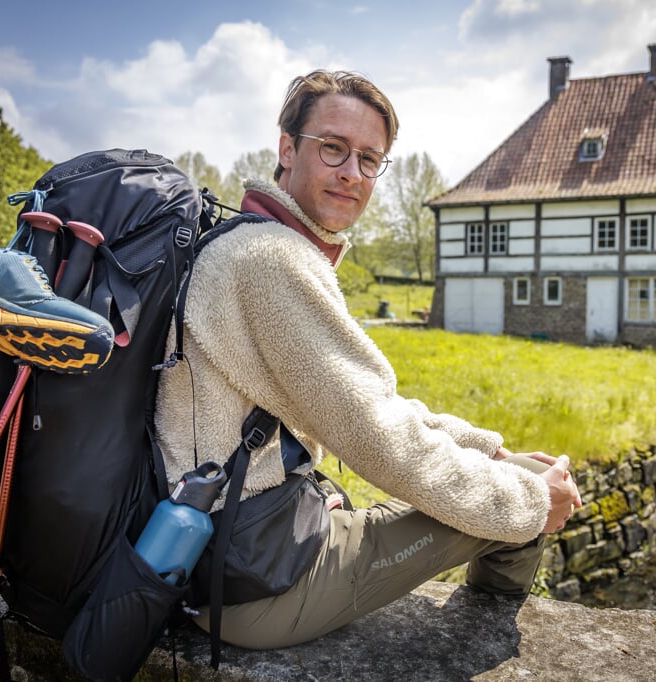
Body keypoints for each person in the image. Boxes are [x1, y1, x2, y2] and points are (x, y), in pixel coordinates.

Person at [155, 69, 582, 649]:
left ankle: (495, 594)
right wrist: (528, 503)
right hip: (252, 583)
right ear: (287, 148)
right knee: (527, 490)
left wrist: (486, 448)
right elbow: (375, 434)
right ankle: (490, 630)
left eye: (369, 159)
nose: (352, 173)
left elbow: (366, 401)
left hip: (204, 550)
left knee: (510, 476)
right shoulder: (271, 260)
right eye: (333, 148)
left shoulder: (245, 242)